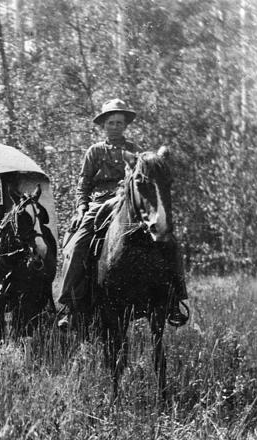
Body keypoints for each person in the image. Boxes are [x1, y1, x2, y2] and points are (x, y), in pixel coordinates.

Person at [57, 98, 188, 329]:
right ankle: (70, 304)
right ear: (103, 125)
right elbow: (83, 184)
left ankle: (174, 299)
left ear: (125, 125)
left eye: (119, 122)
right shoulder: (94, 152)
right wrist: (81, 208)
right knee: (78, 243)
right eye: (111, 122)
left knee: (169, 240)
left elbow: (145, 183)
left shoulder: (136, 151)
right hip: (99, 203)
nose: (115, 126)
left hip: (130, 203)